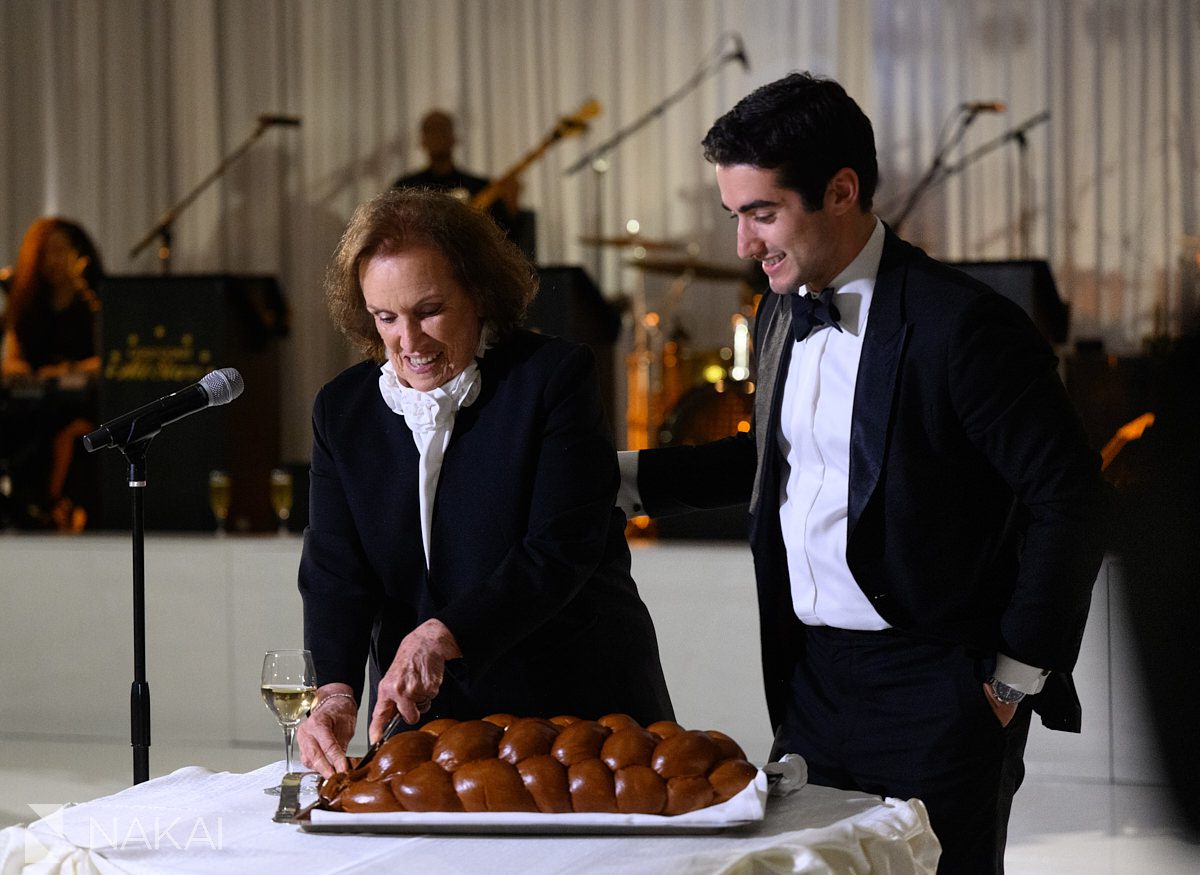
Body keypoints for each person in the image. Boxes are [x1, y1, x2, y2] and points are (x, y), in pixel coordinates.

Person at [619, 72, 1109, 873]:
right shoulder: (782, 307)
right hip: (812, 684)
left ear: (841, 191)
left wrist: (1010, 681)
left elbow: (1071, 497)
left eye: (761, 213)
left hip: (938, 688)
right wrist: (622, 477)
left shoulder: (966, 326)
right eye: (734, 215)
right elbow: (779, 459)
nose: (743, 245)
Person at [296, 188, 673, 778]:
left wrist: (441, 635)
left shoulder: (553, 379)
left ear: (479, 292)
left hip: (576, 712)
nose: (409, 341)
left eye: (429, 310)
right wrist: (336, 691)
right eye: (386, 318)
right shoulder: (341, 412)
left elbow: (560, 549)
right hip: (425, 725)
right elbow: (334, 573)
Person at [1, 217, 104, 531]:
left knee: (64, 430)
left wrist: (65, 371)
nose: (53, 260)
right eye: (46, 252)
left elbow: (107, 359)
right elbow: (12, 358)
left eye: (61, 251)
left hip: (80, 401)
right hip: (35, 400)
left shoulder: (92, 301)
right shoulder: (28, 303)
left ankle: (55, 504)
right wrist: (24, 372)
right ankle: (22, 506)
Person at [392, 109, 534, 261]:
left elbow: (507, 240)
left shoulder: (480, 186)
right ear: (422, 141)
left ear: (454, 138)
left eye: (443, 130)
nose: (437, 136)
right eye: (430, 130)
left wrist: (512, 206)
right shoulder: (405, 188)